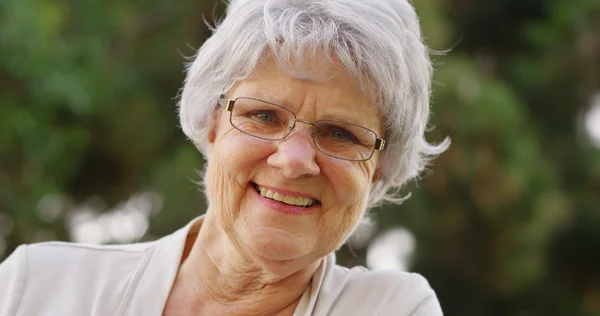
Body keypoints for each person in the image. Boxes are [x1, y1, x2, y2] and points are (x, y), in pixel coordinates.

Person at [0, 0, 449, 315]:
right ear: (212, 124)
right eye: (264, 116)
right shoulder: (34, 288)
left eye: (340, 134)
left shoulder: (391, 310)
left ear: (378, 170)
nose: (293, 160)